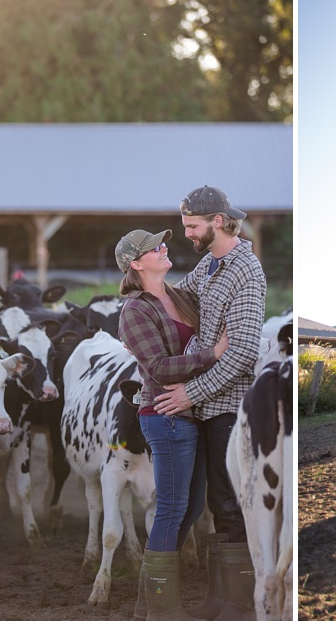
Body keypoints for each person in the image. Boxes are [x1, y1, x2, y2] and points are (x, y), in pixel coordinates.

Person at [152, 185, 267, 619]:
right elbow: (180, 296)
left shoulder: (246, 271)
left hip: (227, 408)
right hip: (202, 404)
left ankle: (235, 603)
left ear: (218, 222)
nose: (187, 234)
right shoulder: (212, 263)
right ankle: (210, 597)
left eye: (192, 226)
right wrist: (145, 309)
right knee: (196, 500)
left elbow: (241, 353)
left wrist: (188, 393)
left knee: (228, 501)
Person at [114, 228, 227, 620]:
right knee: (172, 508)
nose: (164, 248)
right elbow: (159, 368)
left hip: (192, 410)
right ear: (136, 263)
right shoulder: (135, 311)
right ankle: (160, 608)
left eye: (161, 244)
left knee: (192, 505)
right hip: (164, 416)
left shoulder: (178, 294)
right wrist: (214, 354)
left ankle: (149, 603)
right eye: (153, 247)